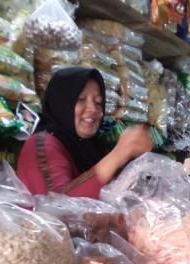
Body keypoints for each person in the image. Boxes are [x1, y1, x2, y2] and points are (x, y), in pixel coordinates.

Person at [17, 67, 153, 198]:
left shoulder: (92, 148)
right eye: (81, 99)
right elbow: (59, 207)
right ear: (61, 103)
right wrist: (118, 155)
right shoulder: (41, 144)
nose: (93, 109)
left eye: (98, 102)